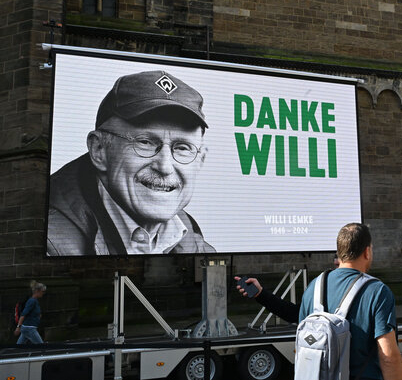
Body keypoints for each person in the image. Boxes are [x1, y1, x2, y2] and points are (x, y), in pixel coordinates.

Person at [46, 70, 215, 255]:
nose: (165, 167)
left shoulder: (192, 241)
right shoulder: (51, 243)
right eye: (145, 143)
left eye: (182, 148)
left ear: (201, 160)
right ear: (99, 150)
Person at [298, 223, 402, 380]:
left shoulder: (313, 287)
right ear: (367, 252)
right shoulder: (377, 291)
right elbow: (388, 356)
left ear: (340, 252)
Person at [235, 253, 341, 323]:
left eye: (343, 257)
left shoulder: (356, 291)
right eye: (336, 257)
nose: (336, 261)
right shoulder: (321, 287)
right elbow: (292, 313)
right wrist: (260, 294)